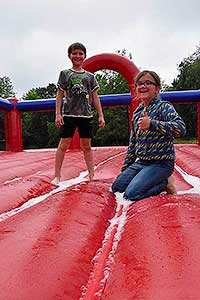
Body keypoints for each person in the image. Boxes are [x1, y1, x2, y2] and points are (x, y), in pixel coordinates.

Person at [112, 70, 186, 201]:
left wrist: (152, 124)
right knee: (117, 187)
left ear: (157, 88)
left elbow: (180, 128)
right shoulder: (137, 113)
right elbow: (133, 143)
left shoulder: (164, 107)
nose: (143, 86)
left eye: (148, 83)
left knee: (132, 195)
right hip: (142, 162)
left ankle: (165, 183)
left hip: (161, 163)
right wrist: (125, 169)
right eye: (139, 84)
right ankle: (147, 178)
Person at [51, 42, 105, 185]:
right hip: (69, 114)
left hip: (86, 115)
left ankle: (92, 174)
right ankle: (57, 175)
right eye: (74, 53)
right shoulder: (65, 74)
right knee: (64, 143)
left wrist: (100, 115)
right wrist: (58, 114)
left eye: (80, 53)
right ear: (69, 55)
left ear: (84, 56)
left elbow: (95, 97)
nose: (77, 56)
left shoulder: (90, 76)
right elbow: (59, 95)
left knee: (86, 145)